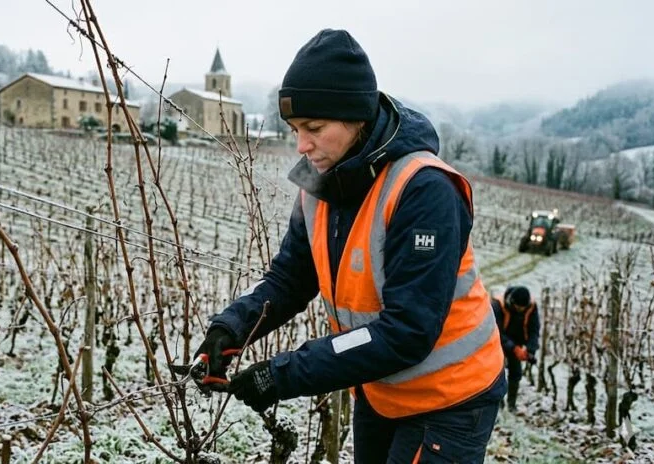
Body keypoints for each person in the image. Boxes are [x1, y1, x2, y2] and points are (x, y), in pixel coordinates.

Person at [193, 29, 505, 463]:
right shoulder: (320, 186)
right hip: (382, 389)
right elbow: (288, 279)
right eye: (295, 130)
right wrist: (230, 327)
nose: (302, 146)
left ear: (355, 117)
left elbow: (407, 332)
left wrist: (281, 375)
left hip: (451, 395)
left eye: (314, 128)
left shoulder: (425, 190)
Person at [491, 286, 540, 412]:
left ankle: (511, 405)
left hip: (517, 343)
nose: (521, 310)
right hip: (497, 343)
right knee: (496, 374)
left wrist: (530, 350)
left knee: (516, 373)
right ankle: (498, 404)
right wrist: (513, 348)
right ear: (512, 302)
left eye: (523, 308)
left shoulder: (532, 307)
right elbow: (495, 332)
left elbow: (534, 330)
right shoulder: (497, 306)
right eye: (519, 308)